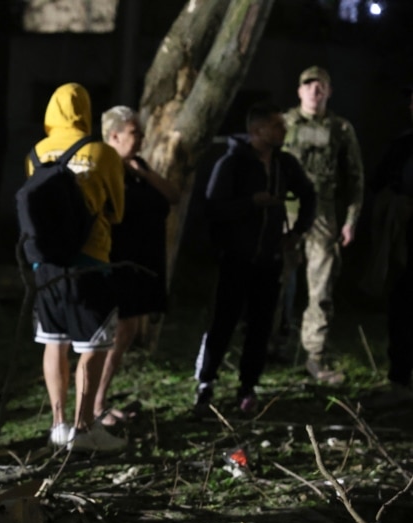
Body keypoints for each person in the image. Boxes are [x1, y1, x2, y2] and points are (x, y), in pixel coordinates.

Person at [194, 102, 316, 415]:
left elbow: (308, 194)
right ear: (257, 130)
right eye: (277, 126)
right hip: (236, 258)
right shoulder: (232, 163)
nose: (284, 130)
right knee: (223, 322)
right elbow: (212, 208)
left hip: (269, 259)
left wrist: (297, 231)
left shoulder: (284, 164)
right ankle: (205, 383)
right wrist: (250, 202)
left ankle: (248, 387)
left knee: (261, 326)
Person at [27, 83, 126, 452]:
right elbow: (116, 211)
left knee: (54, 343)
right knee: (93, 345)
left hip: (45, 265)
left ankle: (58, 426)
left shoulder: (35, 153)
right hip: (90, 261)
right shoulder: (101, 152)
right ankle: (84, 428)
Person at [93, 105, 180, 426]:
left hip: (143, 262)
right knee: (105, 334)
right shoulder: (102, 169)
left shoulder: (139, 166)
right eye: (134, 132)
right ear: (113, 135)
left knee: (126, 331)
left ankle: (99, 400)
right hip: (116, 263)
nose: (141, 137)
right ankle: (92, 405)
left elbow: (173, 195)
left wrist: (143, 173)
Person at [280, 66, 364, 383]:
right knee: (273, 283)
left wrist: (351, 220)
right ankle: (269, 347)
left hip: (323, 214)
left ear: (329, 92)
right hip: (286, 213)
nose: (315, 91)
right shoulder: (284, 123)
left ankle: (315, 356)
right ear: (299, 91)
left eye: (321, 86)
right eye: (309, 85)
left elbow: (356, 178)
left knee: (322, 287)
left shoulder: (340, 129)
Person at [365, 84, 413, 406]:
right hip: (405, 244)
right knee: (402, 308)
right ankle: (400, 380)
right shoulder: (402, 145)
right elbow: (377, 183)